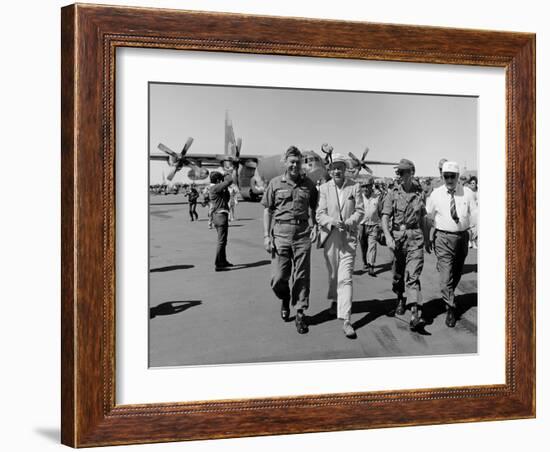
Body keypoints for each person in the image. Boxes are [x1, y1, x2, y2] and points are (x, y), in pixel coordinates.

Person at [262, 146, 318, 334]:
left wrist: (315, 226)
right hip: (281, 234)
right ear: (285, 162)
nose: (295, 165)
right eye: (291, 161)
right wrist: (266, 236)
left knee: (302, 276)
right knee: (278, 278)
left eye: (298, 161)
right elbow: (267, 210)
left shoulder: (309, 185)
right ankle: (285, 298)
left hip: (302, 234)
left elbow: (314, 208)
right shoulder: (275, 183)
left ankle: (300, 312)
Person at [316, 154, 364, 338]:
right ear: (330, 170)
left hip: (349, 238)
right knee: (334, 275)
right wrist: (332, 221)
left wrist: (350, 222)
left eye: (340, 167)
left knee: (346, 278)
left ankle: (346, 320)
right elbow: (319, 214)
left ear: (345, 169)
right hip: (330, 237)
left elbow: (360, 210)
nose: (337, 170)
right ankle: (335, 300)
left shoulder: (355, 186)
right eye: (334, 167)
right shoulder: (324, 188)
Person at [381, 158, 431, 330]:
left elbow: (423, 218)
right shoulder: (392, 193)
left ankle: (415, 313)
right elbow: (385, 217)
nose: (399, 175)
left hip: (415, 238)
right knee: (398, 275)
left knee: (413, 276)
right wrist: (387, 235)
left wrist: (427, 239)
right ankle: (400, 298)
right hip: (397, 238)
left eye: (403, 172)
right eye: (398, 172)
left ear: (412, 173)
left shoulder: (420, 194)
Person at [426, 161, 477, 327]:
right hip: (442, 238)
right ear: (442, 176)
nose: (449, 179)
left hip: (462, 238)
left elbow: (475, 213)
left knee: (456, 272)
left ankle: (449, 295)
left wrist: (475, 231)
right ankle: (450, 307)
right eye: (445, 176)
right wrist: (428, 237)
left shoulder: (468, 193)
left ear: (458, 177)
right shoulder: (436, 194)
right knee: (445, 275)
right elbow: (428, 216)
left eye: (452, 176)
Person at [210, 162, 239, 271]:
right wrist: (226, 173)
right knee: (221, 241)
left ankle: (223, 260)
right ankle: (219, 264)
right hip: (220, 216)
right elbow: (230, 181)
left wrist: (225, 188)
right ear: (218, 180)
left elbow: (226, 199)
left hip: (220, 216)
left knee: (223, 241)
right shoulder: (215, 188)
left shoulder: (216, 188)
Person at [358, 175, 379, 276]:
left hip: (373, 225)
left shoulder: (377, 197)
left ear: (372, 186)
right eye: (363, 186)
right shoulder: (359, 198)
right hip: (361, 225)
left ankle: (371, 266)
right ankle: (365, 262)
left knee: (372, 245)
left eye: (367, 186)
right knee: (363, 246)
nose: (365, 188)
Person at [467, 176, 479, 249]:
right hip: (469, 212)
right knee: (470, 228)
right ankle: (469, 241)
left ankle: (474, 241)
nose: (472, 184)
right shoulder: (468, 192)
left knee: (476, 228)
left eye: (473, 183)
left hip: (477, 212)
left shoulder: (479, 191)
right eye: (471, 183)